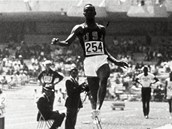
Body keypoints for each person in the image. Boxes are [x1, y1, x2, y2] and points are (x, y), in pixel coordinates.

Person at [51, 3, 128, 120]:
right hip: (89, 61)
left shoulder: (101, 29)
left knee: (104, 78)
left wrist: (116, 62)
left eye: (92, 11)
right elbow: (67, 43)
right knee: (94, 91)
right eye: (87, 11)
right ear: (84, 13)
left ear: (95, 13)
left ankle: (98, 108)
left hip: (101, 59)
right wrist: (57, 42)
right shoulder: (79, 28)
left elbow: (104, 49)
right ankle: (95, 111)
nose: (90, 13)